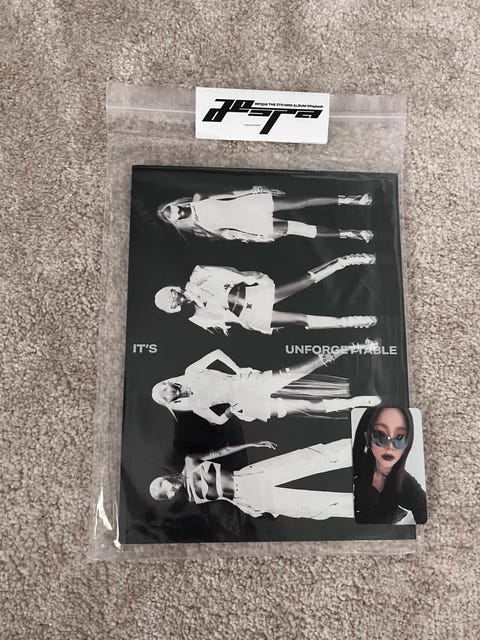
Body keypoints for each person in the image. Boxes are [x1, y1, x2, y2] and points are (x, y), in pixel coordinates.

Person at [151, 341, 381, 425]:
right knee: (306, 406)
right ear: (169, 402)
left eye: (164, 388)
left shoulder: (191, 372)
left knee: (303, 368)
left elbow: (217, 353)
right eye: (165, 397)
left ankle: (353, 347)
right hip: (247, 405)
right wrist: (231, 411)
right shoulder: (194, 406)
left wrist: (238, 369)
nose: (167, 392)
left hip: (249, 382)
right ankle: (356, 402)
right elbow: (218, 421)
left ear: (166, 382)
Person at [154, 254, 377, 334]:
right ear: (174, 309)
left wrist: (252, 277)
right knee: (300, 320)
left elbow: (231, 273)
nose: (174, 299)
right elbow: (228, 319)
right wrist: (257, 325)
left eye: (171, 294)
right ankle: (351, 322)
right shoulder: (197, 317)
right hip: (250, 315)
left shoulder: (197, 276)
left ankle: (345, 261)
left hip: (252, 294)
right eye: (171, 303)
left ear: (173, 288)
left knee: (304, 281)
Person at [149, 438, 355, 520]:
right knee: (308, 507)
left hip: (249, 476)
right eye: (166, 495)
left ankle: (356, 448)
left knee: (305, 460)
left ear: (165, 477)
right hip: (249, 499)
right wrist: (245, 507)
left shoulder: (190, 462)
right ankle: (361, 506)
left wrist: (251, 444)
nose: (170, 492)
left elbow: (221, 451)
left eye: (164, 486)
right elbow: (224, 497)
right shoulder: (192, 498)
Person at [156, 185, 374, 243]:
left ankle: (352, 200)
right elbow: (228, 235)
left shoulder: (198, 197)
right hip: (250, 226)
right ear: (176, 221)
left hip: (251, 204)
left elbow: (230, 194)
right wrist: (256, 238)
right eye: (174, 215)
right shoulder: (198, 230)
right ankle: (352, 234)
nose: (178, 212)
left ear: (177, 203)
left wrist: (256, 190)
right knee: (300, 229)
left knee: (302, 202)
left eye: (175, 208)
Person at [352, 407, 427, 524]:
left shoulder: (409, 488)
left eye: (400, 437)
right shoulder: (355, 463)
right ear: (367, 437)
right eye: (381, 434)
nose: (390, 446)